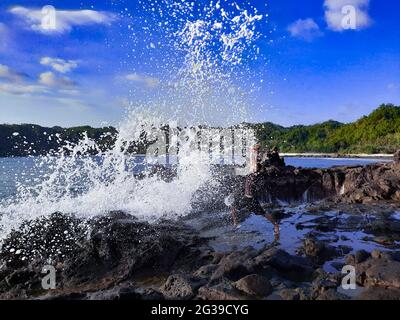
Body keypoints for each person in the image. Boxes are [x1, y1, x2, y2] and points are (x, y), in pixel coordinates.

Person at [228, 162, 280, 239]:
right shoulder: (249, 174)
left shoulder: (256, 176)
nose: (251, 167)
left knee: (263, 214)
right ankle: (235, 223)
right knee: (233, 206)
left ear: (255, 169)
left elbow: (257, 183)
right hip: (245, 198)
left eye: (253, 167)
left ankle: (276, 225)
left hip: (252, 200)